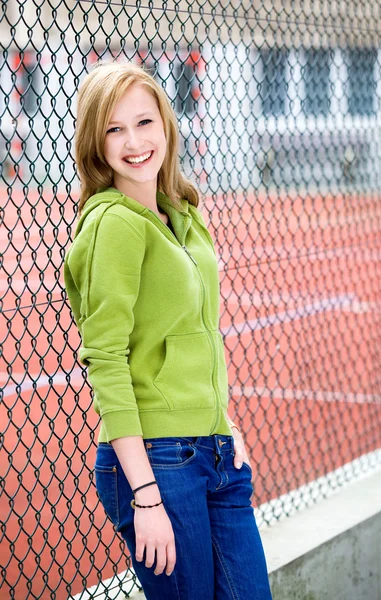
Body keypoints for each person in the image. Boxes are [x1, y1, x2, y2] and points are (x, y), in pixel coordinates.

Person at [63, 59, 272, 600]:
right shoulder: (114, 225)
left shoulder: (181, 214)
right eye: (114, 128)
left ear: (166, 125)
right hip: (158, 464)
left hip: (216, 454)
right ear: (97, 143)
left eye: (144, 121)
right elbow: (107, 360)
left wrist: (222, 421)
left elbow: (196, 330)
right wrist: (147, 497)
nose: (134, 141)